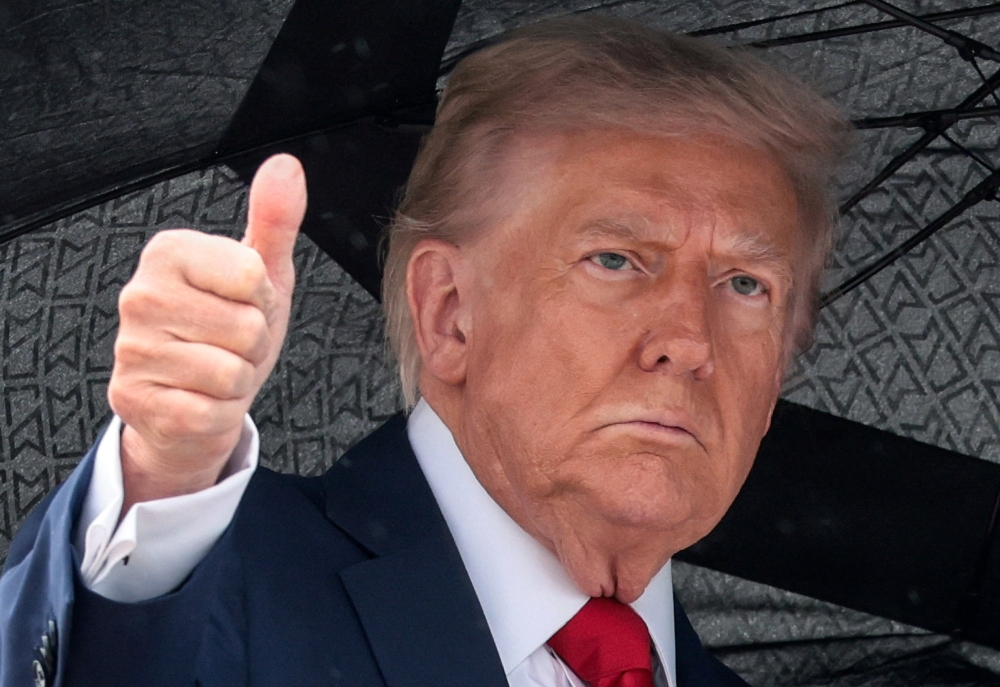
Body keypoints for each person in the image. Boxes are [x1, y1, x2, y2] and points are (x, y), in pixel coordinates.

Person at [0, 15, 850, 687]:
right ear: (449, 313)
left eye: (746, 283)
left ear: (777, 369)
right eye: (617, 259)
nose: (689, 340)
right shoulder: (222, 583)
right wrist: (162, 476)